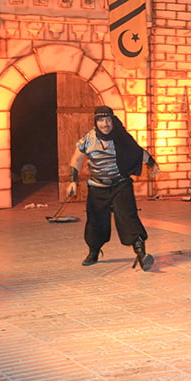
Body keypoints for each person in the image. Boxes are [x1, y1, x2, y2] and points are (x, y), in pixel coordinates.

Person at [68, 106, 159, 270]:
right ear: (96, 122)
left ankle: (141, 253)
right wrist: (72, 181)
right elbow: (76, 160)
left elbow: (138, 152)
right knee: (96, 222)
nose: (105, 124)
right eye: (101, 120)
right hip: (97, 187)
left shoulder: (121, 137)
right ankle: (94, 251)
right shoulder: (88, 139)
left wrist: (152, 163)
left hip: (120, 184)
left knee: (128, 217)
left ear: (112, 121)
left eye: (108, 120)